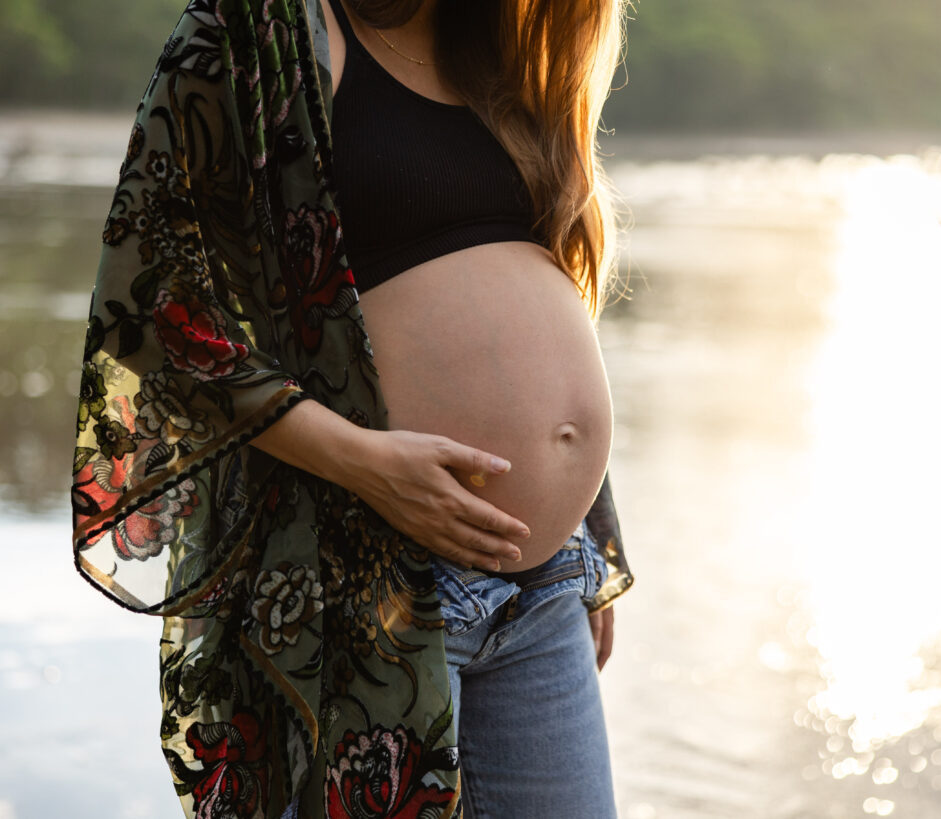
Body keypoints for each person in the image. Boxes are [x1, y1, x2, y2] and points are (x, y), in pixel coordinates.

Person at [71, 0, 633, 816]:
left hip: (543, 586)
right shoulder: (258, 32)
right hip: (365, 579)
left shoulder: (498, 58)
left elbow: (545, 304)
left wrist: (589, 523)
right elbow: (157, 307)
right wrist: (367, 463)